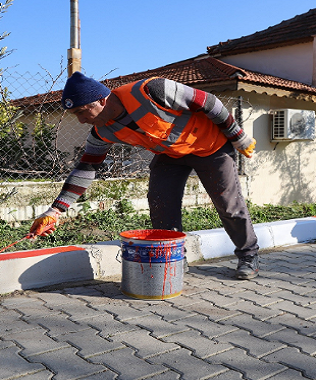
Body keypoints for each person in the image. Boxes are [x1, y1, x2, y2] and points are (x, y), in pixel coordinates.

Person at [29, 71, 260, 279]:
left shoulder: (153, 90)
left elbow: (209, 102)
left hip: (211, 146)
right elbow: (86, 168)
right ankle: (176, 258)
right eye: (75, 114)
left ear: (101, 100)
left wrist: (237, 135)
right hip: (171, 154)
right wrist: (56, 210)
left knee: (229, 206)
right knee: (161, 203)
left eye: (82, 111)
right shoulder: (101, 131)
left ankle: (248, 255)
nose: (81, 120)